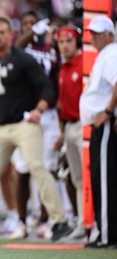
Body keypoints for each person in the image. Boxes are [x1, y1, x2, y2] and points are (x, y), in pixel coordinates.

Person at [0, 17, 72, 243]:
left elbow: (47, 88)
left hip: (24, 123)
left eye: (2, 32)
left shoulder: (24, 59)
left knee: (37, 166)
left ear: (10, 35)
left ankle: (60, 220)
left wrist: (39, 109)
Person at [80, 16, 117, 249]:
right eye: (91, 32)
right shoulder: (106, 54)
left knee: (104, 180)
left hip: (104, 124)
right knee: (102, 178)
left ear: (110, 34)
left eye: (98, 32)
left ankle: (107, 236)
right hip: (99, 124)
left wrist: (108, 110)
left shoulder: (112, 53)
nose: (93, 36)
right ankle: (106, 232)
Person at [55, 25, 85, 240]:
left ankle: (95, 223)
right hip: (69, 126)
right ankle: (84, 223)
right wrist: (62, 132)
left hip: (84, 125)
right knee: (77, 178)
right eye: (61, 42)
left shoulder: (84, 63)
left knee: (89, 177)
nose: (64, 46)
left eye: (69, 41)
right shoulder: (63, 68)